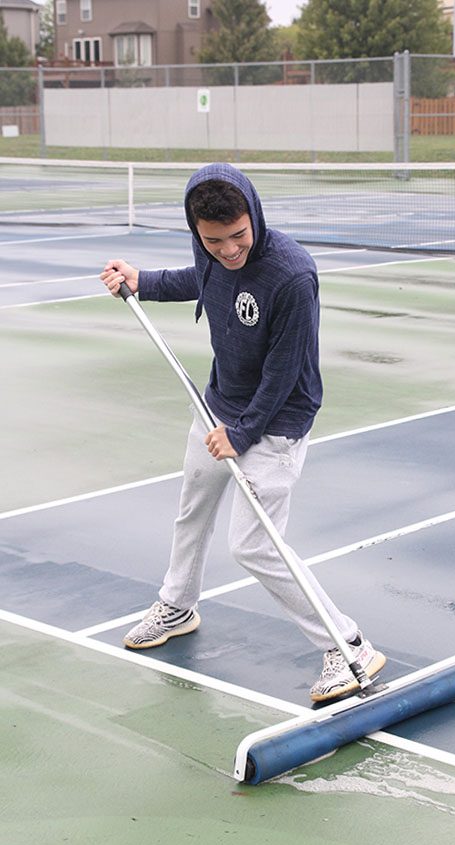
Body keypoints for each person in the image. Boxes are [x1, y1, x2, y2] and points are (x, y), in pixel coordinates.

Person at [100, 162, 385, 703]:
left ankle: (347, 646)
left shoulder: (292, 275)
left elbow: (285, 368)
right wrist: (143, 282)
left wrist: (244, 432)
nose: (229, 250)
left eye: (238, 236)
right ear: (197, 232)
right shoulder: (210, 253)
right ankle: (178, 604)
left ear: (254, 215)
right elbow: (202, 281)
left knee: (253, 545)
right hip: (218, 407)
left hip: (274, 424)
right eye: (213, 241)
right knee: (193, 509)